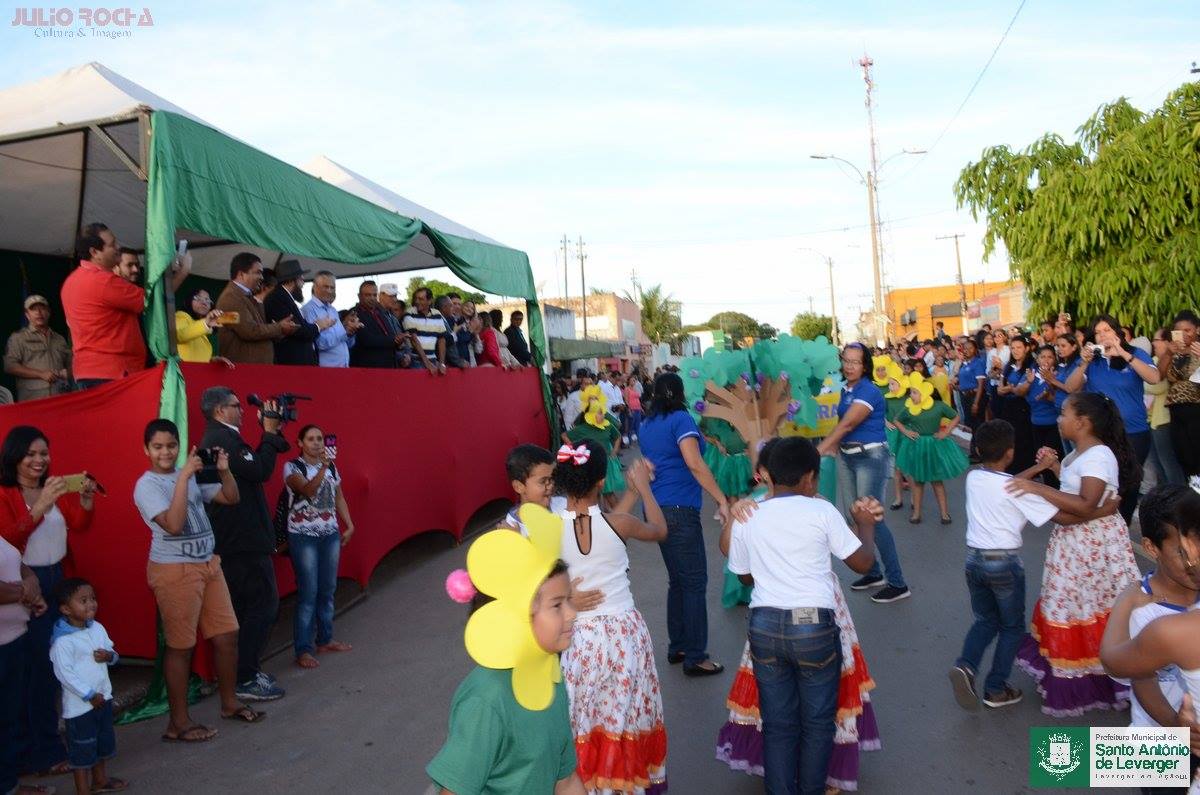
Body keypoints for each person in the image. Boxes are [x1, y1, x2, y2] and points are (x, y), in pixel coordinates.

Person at [716, 438, 882, 793]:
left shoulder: (749, 515)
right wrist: (866, 524)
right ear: (809, 478)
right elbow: (863, 563)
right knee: (817, 724)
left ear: (769, 475)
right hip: (813, 627)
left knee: (778, 725)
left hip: (764, 626)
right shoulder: (822, 511)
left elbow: (744, 577)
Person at [948, 420, 1105, 712]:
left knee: (985, 621)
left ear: (978, 449)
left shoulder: (975, 477)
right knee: (1012, 627)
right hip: (1004, 564)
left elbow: (1007, 483)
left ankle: (966, 666)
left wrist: (1037, 469)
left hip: (974, 561)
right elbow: (1063, 518)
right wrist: (1102, 510)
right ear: (1010, 452)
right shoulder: (1021, 492)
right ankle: (996, 688)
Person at [1008, 392, 1141, 716]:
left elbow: (1084, 504)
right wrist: (1054, 467)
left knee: (1089, 605)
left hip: (1091, 545)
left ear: (1082, 422)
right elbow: (1077, 493)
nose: (1059, 419)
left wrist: (1038, 488)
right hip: (1076, 542)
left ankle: (1101, 675)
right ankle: (1087, 670)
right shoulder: (1081, 453)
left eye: (1064, 413)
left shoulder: (1098, 456)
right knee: (1076, 604)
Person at [133, 418, 263, 742]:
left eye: (171, 446)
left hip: (208, 564)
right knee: (181, 647)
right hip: (175, 570)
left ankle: (229, 703)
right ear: (146, 449)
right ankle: (178, 724)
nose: (165, 452)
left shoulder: (187, 475)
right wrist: (184, 478)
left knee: (227, 635)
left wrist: (223, 471)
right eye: (158, 447)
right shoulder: (147, 486)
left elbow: (231, 497)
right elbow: (174, 525)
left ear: (180, 446)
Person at [426, 529, 585, 793]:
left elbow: (565, 781)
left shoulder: (549, 677)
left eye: (569, 600)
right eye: (557, 605)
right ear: (516, 615)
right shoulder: (487, 701)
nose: (572, 614)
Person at [554, 445, 669, 793]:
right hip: (624, 635)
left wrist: (630, 494)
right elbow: (659, 529)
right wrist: (643, 489)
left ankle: (590, 784)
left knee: (585, 716)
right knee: (624, 714)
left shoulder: (547, 530)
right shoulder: (621, 523)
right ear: (602, 481)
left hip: (579, 637)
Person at [0, 426, 95, 779]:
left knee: (57, 666)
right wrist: (39, 507)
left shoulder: (53, 488)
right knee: (39, 670)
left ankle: (44, 746)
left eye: (43, 453)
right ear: (14, 457)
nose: (39, 460)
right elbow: (8, 540)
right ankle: (41, 752)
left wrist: (85, 500)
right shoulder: (5, 494)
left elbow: (78, 524)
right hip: (26, 584)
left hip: (58, 579)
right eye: (31, 454)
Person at [1098, 485, 1200, 789]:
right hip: (1160, 736)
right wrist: (1177, 729)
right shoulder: (1143, 610)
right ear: (1151, 547)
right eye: (1182, 551)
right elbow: (1143, 681)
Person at [198, 386, 291, 702]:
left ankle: (244, 672)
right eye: (236, 405)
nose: (242, 410)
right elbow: (261, 470)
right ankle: (246, 677)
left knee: (245, 607)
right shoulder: (222, 439)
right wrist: (269, 433)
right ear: (220, 410)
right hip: (242, 540)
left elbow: (259, 463)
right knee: (263, 605)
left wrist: (272, 433)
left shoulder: (224, 438)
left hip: (237, 539)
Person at [638, 372, 730, 675]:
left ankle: (678, 646)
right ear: (680, 394)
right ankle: (695, 656)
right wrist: (721, 499)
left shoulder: (647, 424)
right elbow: (694, 463)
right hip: (679, 509)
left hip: (657, 507)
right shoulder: (681, 420)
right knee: (693, 582)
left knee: (677, 580)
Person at [817, 343, 911, 604]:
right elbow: (841, 423)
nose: (849, 366)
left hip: (870, 457)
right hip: (847, 456)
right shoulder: (846, 390)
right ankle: (872, 572)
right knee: (853, 516)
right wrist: (833, 447)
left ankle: (898, 583)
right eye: (846, 360)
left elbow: (848, 424)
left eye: (855, 362)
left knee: (872, 518)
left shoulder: (869, 390)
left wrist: (820, 449)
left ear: (865, 365)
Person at [1066, 314, 1160, 522]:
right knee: (1106, 482)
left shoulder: (1134, 353)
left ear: (1117, 332)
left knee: (1129, 484)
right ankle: (1105, 525)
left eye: (1107, 330)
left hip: (1134, 432)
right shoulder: (1093, 360)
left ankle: (1122, 526)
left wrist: (1123, 354)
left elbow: (1154, 378)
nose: (1102, 335)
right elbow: (1071, 387)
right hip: (1101, 434)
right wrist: (1083, 363)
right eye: (1098, 332)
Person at [282, 425, 355, 669]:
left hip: (329, 534)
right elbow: (307, 490)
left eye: (320, 439)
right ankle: (303, 649)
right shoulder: (292, 467)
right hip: (303, 536)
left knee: (327, 588)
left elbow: (339, 497)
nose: (317, 443)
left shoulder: (332, 467)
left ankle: (325, 639)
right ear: (300, 443)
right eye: (311, 439)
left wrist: (349, 524)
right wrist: (323, 467)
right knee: (308, 592)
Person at [47, 578, 127, 795]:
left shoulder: (97, 628)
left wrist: (109, 656)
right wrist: (89, 694)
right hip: (80, 708)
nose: (91, 604)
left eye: (92, 598)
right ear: (66, 609)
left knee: (101, 742)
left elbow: (112, 651)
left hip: (103, 698)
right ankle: (82, 790)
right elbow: (65, 675)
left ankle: (100, 780)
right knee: (81, 750)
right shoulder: (62, 642)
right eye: (83, 601)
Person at [60, 223, 147, 389]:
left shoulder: (70, 282)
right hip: (114, 372)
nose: (118, 248)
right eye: (112, 244)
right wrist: (181, 272)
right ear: (94, 252)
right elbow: (151, 301)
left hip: (85, 371)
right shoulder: (104, 281)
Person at [1, 531, 49, 795]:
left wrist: (31, 582)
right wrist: (25, 593)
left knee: (8, 717)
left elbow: (19, 564)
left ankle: (8, 784)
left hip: (13, 638)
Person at [893, 375, 968, 524]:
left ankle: (944, 514)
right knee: (918, 481)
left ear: (925, 393)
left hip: (933, 445)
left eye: (914, 392)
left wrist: (946, 432)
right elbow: (896, 420)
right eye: (911, 392)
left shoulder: (938, 406)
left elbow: (956, 416)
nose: (911, 395)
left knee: (936, 480)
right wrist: (906, 432)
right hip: (917, 446)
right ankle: (916, 514)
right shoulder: (910, 408)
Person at [215, 253, 298, 365]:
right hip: (243, 369)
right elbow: (249, 331)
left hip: (255, 368)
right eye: (258, 272)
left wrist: (281, 330)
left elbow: (257, 329)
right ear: (241, 274)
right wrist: (279, 327)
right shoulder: (231, 297)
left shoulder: (245, 296)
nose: (262, 277)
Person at [4, 295, 72, 401]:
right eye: (33, 309)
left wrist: (68, 372)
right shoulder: (18, 338)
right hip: (34, 400)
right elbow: (10, 366)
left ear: (48, 312)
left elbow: (71, 363)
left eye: (42, 308)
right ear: (27, 315)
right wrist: (40, 374)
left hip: (60, 397)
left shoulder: (59, 339)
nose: (38, 312)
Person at [563, 387, 625, 502]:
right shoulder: (583, 419)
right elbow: (569, 432)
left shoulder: (605, 419)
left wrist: (614, 451)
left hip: (605, 459)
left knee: (608, 493)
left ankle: (614, 512)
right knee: (594, 495)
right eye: (590, 399)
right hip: (589, 463)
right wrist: (575, 447)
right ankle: (602, 511)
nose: (593, 400)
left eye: (595, 398)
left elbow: (617, 431)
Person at [264, 260, 328, 366]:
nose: (303, 282)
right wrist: (318, 326)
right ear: (291, 280)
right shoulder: (277, 298)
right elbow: (296, 329)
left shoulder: (285, 297)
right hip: (292, 362)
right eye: (301, 278)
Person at [1161, 310, 1200, 479]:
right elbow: (1158, 376)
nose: (1183, 335)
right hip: (1176, 410)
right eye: (1178, 331)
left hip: (1196, 409)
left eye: (1188, 330)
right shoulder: (1174, 352)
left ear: (1197, 329)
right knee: (1184, 458)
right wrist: (1168, 353)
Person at [1147, 328, 1186, 486]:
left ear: (1168, 342)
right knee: (1158, 466)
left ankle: (1178, 497)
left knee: (1169, 465)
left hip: (1164, 420)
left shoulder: (1173, 360)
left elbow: (1156, 386)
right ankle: (1166, 498)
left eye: (1157, 340)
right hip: (1152, 420)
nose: (1153, 343)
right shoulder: (1154, 360)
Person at [302, 271, 362, 368]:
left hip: (343, 366)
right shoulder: (308, 310)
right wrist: (344, 331)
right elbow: (319, 344)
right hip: (326, 369)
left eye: (332, 287)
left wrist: (350, 332)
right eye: (325, 287)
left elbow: (346, 343)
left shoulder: (332, 310)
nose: (329, 291)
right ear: (315, 287)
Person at [994, 334, 1036, 474]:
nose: (1015, 351)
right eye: (1013, 348)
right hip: (1008, 407)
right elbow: (1000, 389)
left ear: (1026, 348)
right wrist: (1011, 388)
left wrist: (1011, 389)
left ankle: (1026, 472)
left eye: (1019, 347)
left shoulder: (1030, 365)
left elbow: (1021, 390)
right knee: (1010, 440)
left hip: (1023, 408)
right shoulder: (1009, 366)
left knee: (1023, 440)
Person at [1028, 345, 1065, 486]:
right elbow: (1026, 395)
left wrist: (1051, 384)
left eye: (1050, 357)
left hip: (1054, 424)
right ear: (1037, 359)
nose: (1046, 360)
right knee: (1041, 457)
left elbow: (1059, 399)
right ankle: (1047, 486)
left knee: (1054, 458)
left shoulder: (1058, 375)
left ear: (1055, 359)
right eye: (1042, 357)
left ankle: (1057, 488)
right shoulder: (1032, 376)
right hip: (1036, 422)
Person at [349, 281, 400, 369]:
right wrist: (394, 340)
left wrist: (399, 341)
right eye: (368, 295)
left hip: (389, 366)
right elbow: (367, 340)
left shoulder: (380, 312)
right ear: (359, 296)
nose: (372, 298)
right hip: (367, 368)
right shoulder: (354, 313)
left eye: (374, 295)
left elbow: (390, 334)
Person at [954, 337, 989, 460]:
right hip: (965, 397)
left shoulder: (978, 362)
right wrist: (957, 387)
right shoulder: (964, 364)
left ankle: (981, 453)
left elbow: (980, 384)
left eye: (970, 348)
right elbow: (964, 382)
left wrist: (976, 403)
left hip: (975, 397)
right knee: (972, 426)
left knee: (978, 425)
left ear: (975, 350)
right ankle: (974, 452)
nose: (967, 350)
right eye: (965, 348)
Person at [403, 287, 447, 374]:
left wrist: (442, 363)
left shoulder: (437, 314)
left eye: (421, 299)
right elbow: (413, 339)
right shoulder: (409, 313)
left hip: (433, 360)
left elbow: (441, 339)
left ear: (429, 301)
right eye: (416, 298)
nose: (417, 301)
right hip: (415, 360)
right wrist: (427, 363)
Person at [623, 374, 643, 443]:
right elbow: (626, 400)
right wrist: (629, 410)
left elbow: (638, 399)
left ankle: (638, 440)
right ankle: (630, 440)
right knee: (631, 426)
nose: (633, 382)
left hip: (638, 409)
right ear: (629, 381)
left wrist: (641, 408)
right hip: (632, 409)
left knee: (637, 425)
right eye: (632, 381)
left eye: (634, 381)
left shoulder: (635, 389)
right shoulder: (627, 389)